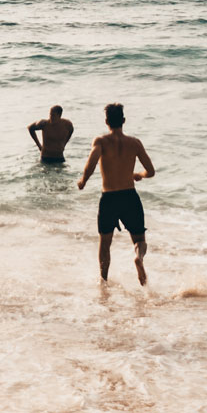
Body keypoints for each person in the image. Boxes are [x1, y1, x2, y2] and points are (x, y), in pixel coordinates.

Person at [78, 103, 155, 285]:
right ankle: (139, 258)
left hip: (109, 198)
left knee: (105, 243)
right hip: (130, 197)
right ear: (124, 121)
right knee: (139, 240)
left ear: (106, 122)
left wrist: (83, 181)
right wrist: (139, 175)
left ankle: (103, 281)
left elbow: (92, 163)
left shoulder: (101, 141)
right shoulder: (134, 143)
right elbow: (150, 171)